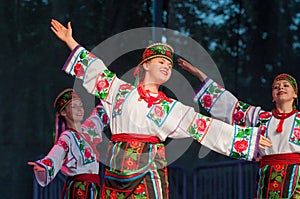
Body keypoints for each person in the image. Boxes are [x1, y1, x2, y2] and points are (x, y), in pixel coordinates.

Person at [50, 19, 272, 199]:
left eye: (169, 65)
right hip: (117, 168)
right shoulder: (118, 91)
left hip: (149, 167)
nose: (167, 67)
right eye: (161, 62)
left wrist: (246, 137)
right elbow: (94, 69)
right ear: (145, 65)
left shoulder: (168, 107)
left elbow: (203, 126)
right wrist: (71, 41)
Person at [178, 58, 300, 198]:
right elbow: (230, 106)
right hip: (267, 178)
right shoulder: (260, 117)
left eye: (286, 85)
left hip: (296, 178)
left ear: (295, 94)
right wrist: (199, 74)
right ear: (272, 96)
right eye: (276, 87)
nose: (281, 88)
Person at [28, 88, 109, 199]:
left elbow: (102, 112)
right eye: (73, 107)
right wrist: (45, 167)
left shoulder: (90, 128)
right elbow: (56, 154)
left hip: (94, 187)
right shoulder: (67, 137)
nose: (79, 110)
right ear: (63, 112)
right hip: (78, 189)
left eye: (80, 106)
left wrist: (113, 92)